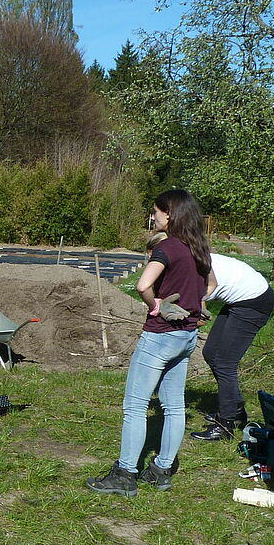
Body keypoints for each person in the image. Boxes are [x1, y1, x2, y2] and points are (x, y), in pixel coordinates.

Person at [86, 190, 213, 496]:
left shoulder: (168, 246)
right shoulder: (199, 246)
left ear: (170, 214)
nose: (153, 217)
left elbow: (143, 284)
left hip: (159, 335)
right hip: (186, 336)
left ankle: (126, 473)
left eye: (156, 212)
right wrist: (198, 305)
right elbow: (212, 285)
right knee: (173, 406)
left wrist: (156, 306)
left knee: (135, 405)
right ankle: (161, 470)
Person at [176, 239, 274, 441]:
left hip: (253, 300)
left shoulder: (192, 265)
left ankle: (225, 424)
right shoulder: (186, 263)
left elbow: (197, 307)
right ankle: (235, 410)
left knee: (224, 362)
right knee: (211, 353)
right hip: (238, 300)